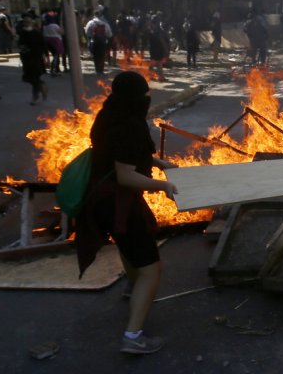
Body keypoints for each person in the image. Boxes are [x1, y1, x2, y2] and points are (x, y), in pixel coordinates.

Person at [77, 71, 178, 355]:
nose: (148, 100)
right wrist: (163, 185)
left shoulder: (109, 114)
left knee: (127, 245)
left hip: (104, 200)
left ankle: (133, 290)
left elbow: (121, 155)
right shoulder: (129, 126)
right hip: (118, 202)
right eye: (145, 96)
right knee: (151, 268)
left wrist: (158, 161)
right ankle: (133, 336)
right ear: (138, 98)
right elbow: (126, 176)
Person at [17, 16, 47, 105]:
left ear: (32, 23)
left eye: (28, 22)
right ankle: (42, 86)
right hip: (26, 59)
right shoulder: (22, 33)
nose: (26, 24)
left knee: (35, 78)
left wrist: (46, 57)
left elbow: (43, 45)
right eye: (25, 23)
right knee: (28, 78)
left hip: (36, 59)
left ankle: (36, 96)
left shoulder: (37, 33)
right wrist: (22, 48)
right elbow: (20, 44)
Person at [84, 8, 113, 75]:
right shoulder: (105, 23)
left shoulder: (91, 22)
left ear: (94, 15)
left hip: (94, 42)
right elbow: (109, 34)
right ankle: (101, 70)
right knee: (102, 56)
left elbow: (87, 32)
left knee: (96, 56)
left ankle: (97, 70)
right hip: (103, 42)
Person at [148, 16, 169, 82]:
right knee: (158, 63)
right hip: (158, 49)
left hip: (153, 49)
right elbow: (162, 40)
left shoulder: (151, 30)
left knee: (155, 63)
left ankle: (155, 76)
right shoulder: (159, 31)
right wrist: (165, 49)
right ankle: (160, 77)